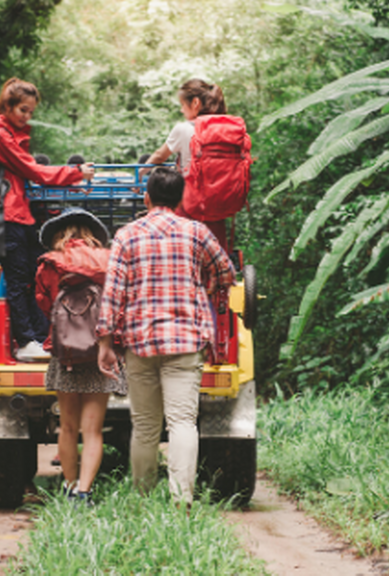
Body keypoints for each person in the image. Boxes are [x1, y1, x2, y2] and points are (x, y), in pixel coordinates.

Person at [96, 167, 236, 504]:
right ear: (181, 199)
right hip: (187, 340)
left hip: (140, 343)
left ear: (146, 198)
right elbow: (227, 272)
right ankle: (181, 498)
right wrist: (208, 285)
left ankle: (143, 498)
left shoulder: (127, 235)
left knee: (144, 425)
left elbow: (113, 293)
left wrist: (105, 342)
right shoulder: (196, 232)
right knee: (183, 422)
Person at [0, 77, 95, 362]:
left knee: (30, 273)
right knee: (18, 280)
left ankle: (39, 336)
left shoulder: (8, 134)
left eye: (31, 111)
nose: (27, 116)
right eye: (23, 110)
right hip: (5, 216)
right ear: (7, 106)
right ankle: (26, 341)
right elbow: (34, 171)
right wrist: (75, 173)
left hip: (17, 214)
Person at [36, 208, 127, 505]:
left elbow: (44, 303)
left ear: (60, 234)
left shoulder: (50, 263)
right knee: (93, 429)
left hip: (65, 354)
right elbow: (118, 302)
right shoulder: (107, 259)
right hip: (100, 351)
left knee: (68, 425)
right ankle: (84, 493)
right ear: (91, 233)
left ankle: (69, 485)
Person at [142, 78, 229, 249]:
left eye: (183, 104)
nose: (182, 110)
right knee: (216, 254)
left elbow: (160, 156)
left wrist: (139, 173)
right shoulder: (225, 130)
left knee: (185, 254)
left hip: (190, 206)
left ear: (195, 103)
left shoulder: (185, 129)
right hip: (219, 206)